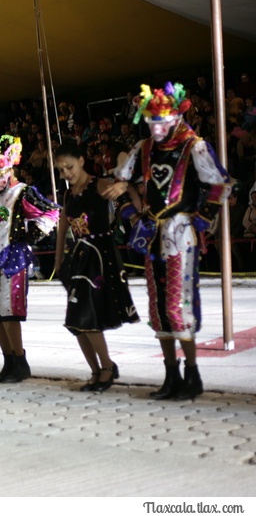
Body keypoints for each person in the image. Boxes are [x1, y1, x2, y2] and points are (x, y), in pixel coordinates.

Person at [113, 82, 231, 400]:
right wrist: (133, 216)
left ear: (176, 116)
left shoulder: (194, 146)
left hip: (180, 233)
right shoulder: (144, 148)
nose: (156, 128)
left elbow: (219, 185)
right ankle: (171, 375)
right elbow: (121, 182)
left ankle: (192, 375)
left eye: (161, 121)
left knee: (177, 305)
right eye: (151, 122)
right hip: (152, 234)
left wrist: (200, 220)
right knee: (158, 307)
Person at [0, 135, 59, 383]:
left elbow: (51, 212)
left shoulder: (21, 192)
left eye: (1, 174)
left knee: (9, 311)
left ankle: (19, 360)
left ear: (10, 171)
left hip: (13, 257)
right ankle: (8, 361)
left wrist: (30, 236)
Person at [53, 140, 139, 392]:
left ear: (81, 161)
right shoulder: (69, 194)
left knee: (88, 316)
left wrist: (126, 186)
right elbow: (62, 229)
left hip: (100, 257)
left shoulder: (99, 183)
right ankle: (96, 369)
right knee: (76, 319)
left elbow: (130, 192)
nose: (65, 173)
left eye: (69, 167)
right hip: (78, 258)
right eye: (61, 170)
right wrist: (59, 261)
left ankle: (107, 368)